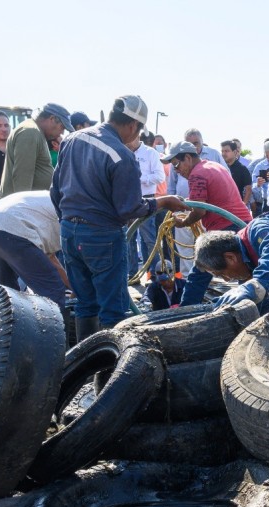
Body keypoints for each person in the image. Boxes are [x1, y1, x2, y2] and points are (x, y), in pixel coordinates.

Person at [51, 95, 188, 339]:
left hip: (69, 233)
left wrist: (68, 222)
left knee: (85, 303)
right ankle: (108, 373)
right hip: (102, 236)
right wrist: (165, 201)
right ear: (135, 126)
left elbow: (55, 191)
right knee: (113, 311)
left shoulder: (72, 140)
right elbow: (130, 209)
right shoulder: (121, 156)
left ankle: (86, 365)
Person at [160, 140, 253, 306]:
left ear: (187, 158)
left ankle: (186, 312)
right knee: (246, 273)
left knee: (200, 271)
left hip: (225, 228)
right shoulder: (214, 166)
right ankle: (257, 309)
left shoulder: (197, 175)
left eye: (176, 164)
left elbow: (200, 211)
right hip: (243, 224)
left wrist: (184, 222)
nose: (176, 171)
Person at [0, 190, 69, 310]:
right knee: (51, 287)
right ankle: (56, 328)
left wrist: (71, 285)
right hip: (11, 228)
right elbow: (53, 258)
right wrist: (75, 287)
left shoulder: (48, 197)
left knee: (5, 290)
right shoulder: (67, 210)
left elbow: (51, 258)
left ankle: (3, 327)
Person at [0, 102, 74, 198]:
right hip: (21, 207)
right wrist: (23, 208)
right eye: (62, 127)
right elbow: (22, 177)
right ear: (52, 119)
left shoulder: (35, 131)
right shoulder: (30, 132)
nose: (62, 132)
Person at [127, 130, 166, 277]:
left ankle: (155, 274)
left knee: (149, 239)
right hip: (127, 199)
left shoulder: (151, 153)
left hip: (146, 199)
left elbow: (160, 176)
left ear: (136, 135)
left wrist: (139, 178)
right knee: (128, 239)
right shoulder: (123, 151)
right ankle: (132, 274)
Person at [250, 139, 269, 216]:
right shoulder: (260, 166)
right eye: (268, 157)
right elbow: (251, 186)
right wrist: (258, 184)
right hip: (267, 202)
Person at [221, 139, 252, 207]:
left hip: (236, 208)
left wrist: (242, 205)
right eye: (222, 151)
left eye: (226, 151)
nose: (223, 154)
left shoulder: (242, 169)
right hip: (221, 207)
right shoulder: (219, 168)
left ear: (235, 152)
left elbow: (248, 190)